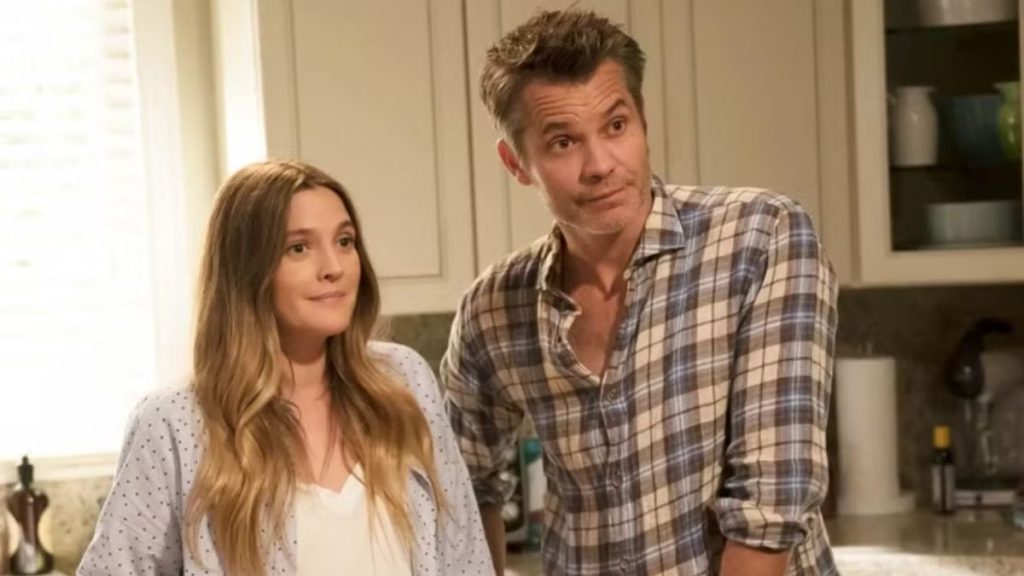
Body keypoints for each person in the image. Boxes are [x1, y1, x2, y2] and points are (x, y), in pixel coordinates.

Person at [442, 9, 838, 576]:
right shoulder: (494, 308)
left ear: (643, 121)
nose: (600, 165)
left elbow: (768, 509)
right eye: (562, 142)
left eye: (616, 126)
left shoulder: (761, 237)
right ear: (516, 163)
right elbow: (460, 484)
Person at [79, 161, 493, 575]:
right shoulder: (175, 422)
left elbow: (466, 558)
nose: (334, 267)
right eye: (299, 248)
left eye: (345, 241)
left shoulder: (403, 381)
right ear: (246, 270)